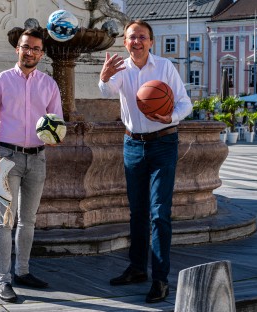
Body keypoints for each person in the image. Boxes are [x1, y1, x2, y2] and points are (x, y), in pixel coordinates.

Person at [98, 20, 192, 303]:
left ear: (151, 42)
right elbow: (106, 92)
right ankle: (137, 268)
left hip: (163, 142)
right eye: (131, 37)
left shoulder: (164, 67)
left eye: (142, 37)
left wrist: (170, 117)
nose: (136, 41)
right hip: (132, 145)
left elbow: (185, 103)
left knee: (159, 213)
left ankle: (161, 280)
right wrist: (103, 77)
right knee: (137, 212)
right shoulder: (120, 69)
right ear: (125, 43)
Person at [0, 28, 63, 303]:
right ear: (18, 48)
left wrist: (55, 138)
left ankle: (23, 271)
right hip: (6, 158)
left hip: (37, 158)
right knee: (4, 221)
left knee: (28, 220)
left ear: (42, 53)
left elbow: (58, 122)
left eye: (36, 48)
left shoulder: (49, 85)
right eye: (26, 47)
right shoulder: (0, 81)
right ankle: (4, 281)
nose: (31, 52)